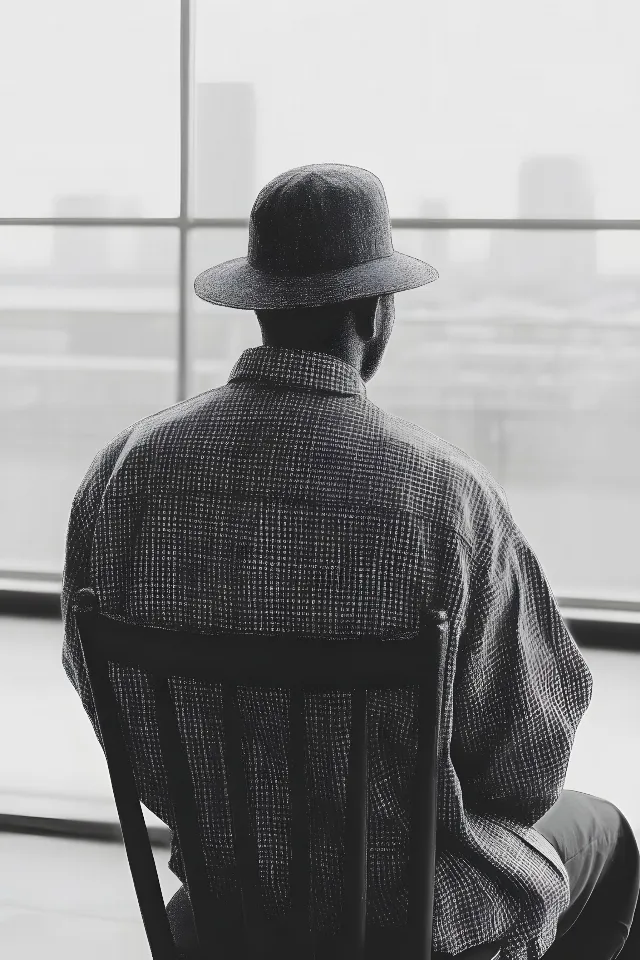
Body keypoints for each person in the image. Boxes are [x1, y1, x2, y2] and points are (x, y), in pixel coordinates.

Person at [61, 163, 639, 960]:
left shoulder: (122, 474)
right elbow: (528, 766)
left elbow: (108, 702)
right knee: (606, 835)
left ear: (257, 301)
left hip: (228, 914)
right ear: (376, 311)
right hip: (408, 926)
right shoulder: (445, 495)